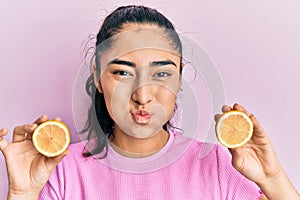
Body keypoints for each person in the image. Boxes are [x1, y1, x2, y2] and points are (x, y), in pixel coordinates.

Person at [0, 5, 299, 200]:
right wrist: (22, 192)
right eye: (122, 72)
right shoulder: (61, 172)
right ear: (98, 76)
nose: (143, 96)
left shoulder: (221, 166)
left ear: (180, 77)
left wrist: (273, 178)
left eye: (161, 73)